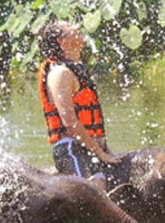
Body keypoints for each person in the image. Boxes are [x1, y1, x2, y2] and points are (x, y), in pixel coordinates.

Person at [37, 19, 125, 191]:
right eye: (70, 27)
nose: (77, 27)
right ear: (61, 41)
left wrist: (106, 151)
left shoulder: (76, 68)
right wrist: (100, 154)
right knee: (92, 191)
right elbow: (69, 123)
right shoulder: (60, 74)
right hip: (71, 149)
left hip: (89, 148)